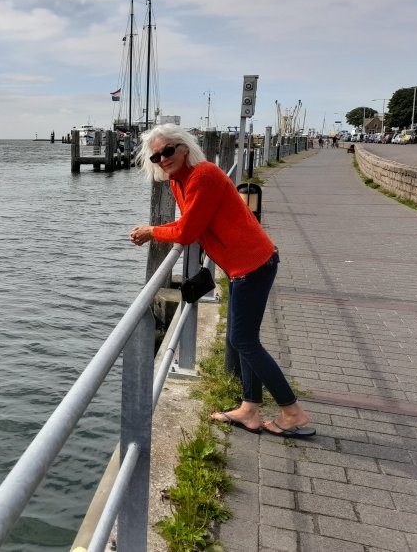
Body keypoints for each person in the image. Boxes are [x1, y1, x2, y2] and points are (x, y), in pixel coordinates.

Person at [129, 124, 314, 438]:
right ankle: (249, 409)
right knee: (241, 339)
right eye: (156, 155)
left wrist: (152, 231)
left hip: (253, 265)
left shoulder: (204, 176)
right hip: (242, 266)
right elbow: (193, 223)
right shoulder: (177, 181)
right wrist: (167, 229)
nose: (163, 159)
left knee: (244, 341)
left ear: (185, 147)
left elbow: (186, 232)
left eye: (168, 151)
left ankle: (292, 412)